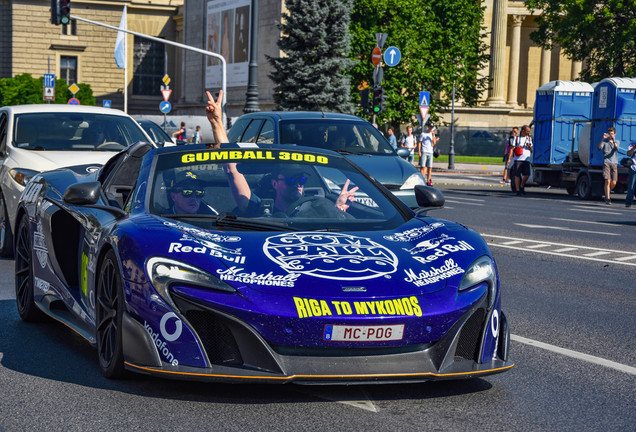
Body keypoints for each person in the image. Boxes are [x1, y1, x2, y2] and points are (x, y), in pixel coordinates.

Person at [205, 90, 358, 216]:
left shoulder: (312, 211)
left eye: (302, 180)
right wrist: (217, 123)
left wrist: (339, 207)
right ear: (275, 183)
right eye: (291, 180)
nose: (298, 184)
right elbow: (231, 168)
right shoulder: (258, 208)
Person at [598, 127, 619, 205]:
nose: (610, 135)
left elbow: (616, 148)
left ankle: (607, 192)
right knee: (607, 180)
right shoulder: (605, 142)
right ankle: (607, 198)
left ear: (614, 134)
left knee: (614, 182)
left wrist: (613, 140)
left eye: (612, 133)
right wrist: (603, 139)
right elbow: (599, 148)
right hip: (606, 162)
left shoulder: (616, 141)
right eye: (609, 133)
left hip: (614, 163)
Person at [512, 125, 533, 196]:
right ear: (523, 131)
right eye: (527, 131)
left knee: (527, 174)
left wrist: (529, 147)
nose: (529, 132)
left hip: (526, 159)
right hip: (518, 159)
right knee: (517, 175)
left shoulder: (529, 138)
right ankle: (518, 190)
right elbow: (513, 147)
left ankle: (522, 185)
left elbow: (531, 149)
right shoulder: (517, 138)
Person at [625, 142, 636, 208]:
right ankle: (628, 203)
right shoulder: (632, 145)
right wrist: (634, 147)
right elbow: (628, 154)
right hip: (634, 168)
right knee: (631, 187)